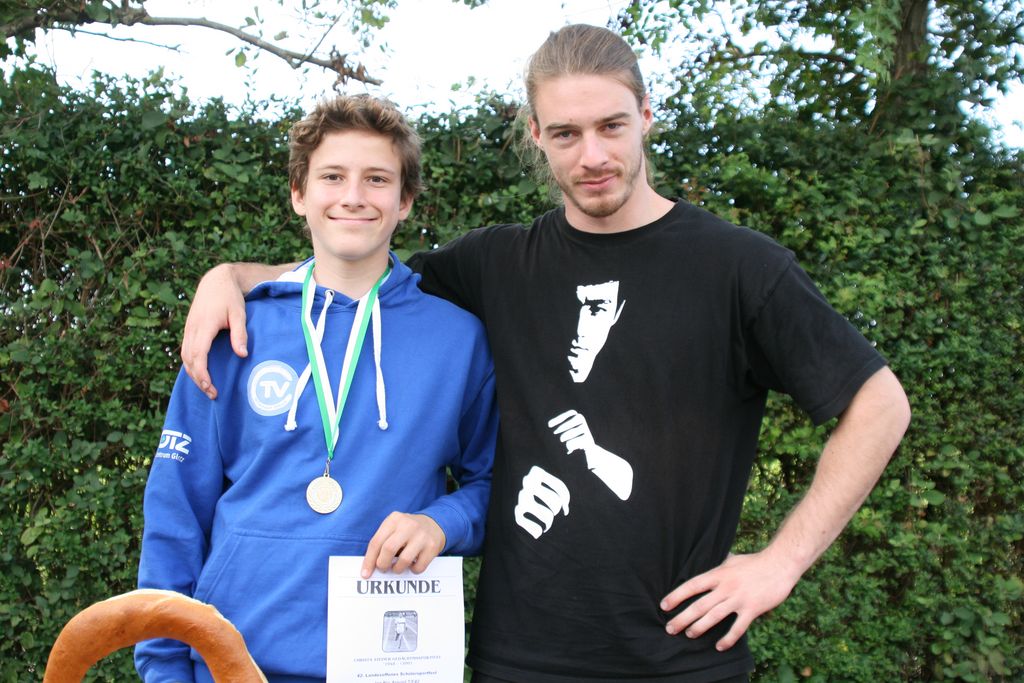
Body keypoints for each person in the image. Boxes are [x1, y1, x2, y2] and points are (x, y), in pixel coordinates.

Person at [178, 24, 910, 683]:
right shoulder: (495, 265)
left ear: (646, 115)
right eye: (565, 133)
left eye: (611, 126)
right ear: (536, 135)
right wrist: (233, 277)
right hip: (518, 659)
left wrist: (780, 563)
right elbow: (356, 271)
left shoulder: (738, 269)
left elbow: (879, 405)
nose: (592, 155)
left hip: (681, 658)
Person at [135, 94, 497, 683]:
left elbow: (495, 482)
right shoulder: (233, 328)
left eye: (377, 179)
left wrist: (444, 520)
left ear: (405, 201)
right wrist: (164, 668)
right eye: (332, 176)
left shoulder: (458, 339)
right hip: (234, 664)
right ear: (299, 194)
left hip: (390, 666)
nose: (353, 196)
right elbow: (176, 508)